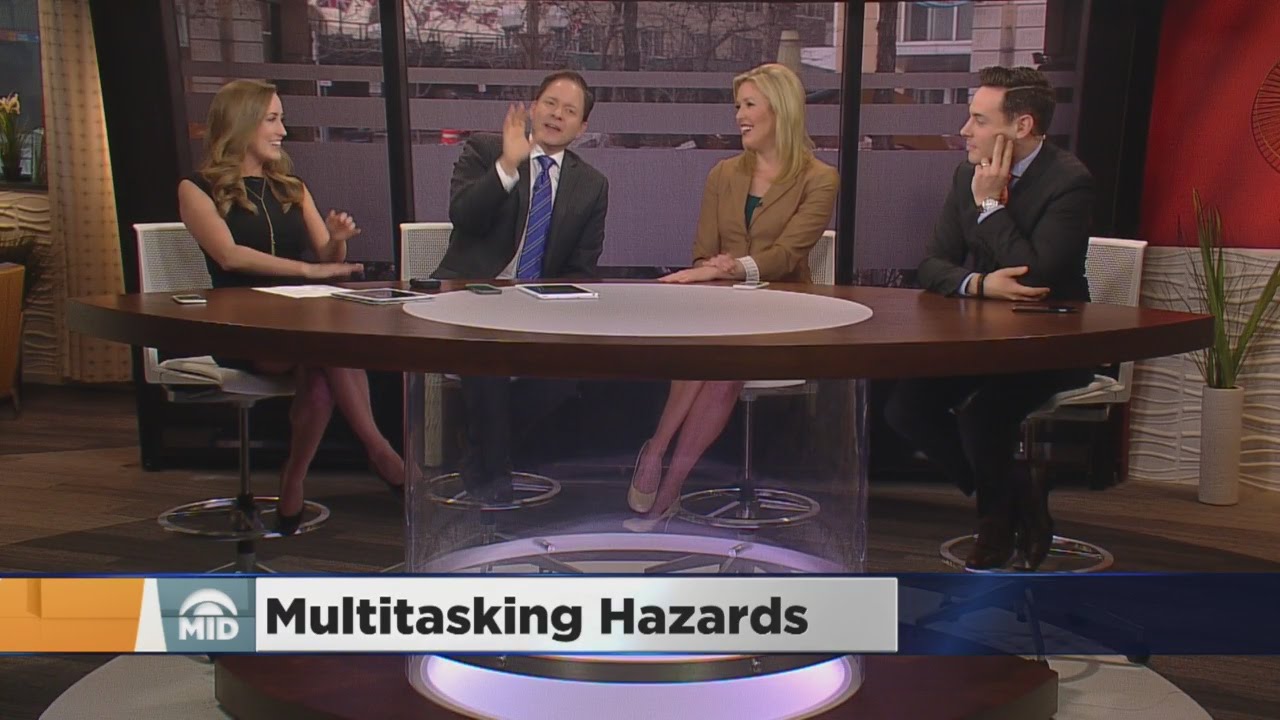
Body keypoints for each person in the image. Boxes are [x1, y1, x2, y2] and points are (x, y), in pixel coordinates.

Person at [884, 66, 1096, 571]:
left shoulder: (1069, 182)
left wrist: (989, 206)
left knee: (984, 415)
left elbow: (1037, 275)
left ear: (1021, 126)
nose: (964, 131)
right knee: (906, 409)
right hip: (983, 339)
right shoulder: (967, 173)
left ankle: (995, 526)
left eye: (979, 119)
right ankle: (1018, 493)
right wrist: (979, 284)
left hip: (1055, 343)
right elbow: (932, 264)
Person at [178, 79, 405, 535]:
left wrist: (336, 241)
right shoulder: (198, 188)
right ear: (242, 123)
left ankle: (294, 478)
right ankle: (380, 451)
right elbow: (229, 256)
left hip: (302, 322)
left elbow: (327, 257)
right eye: (272, 119)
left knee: (321, 376)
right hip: (242, 324)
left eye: (281, 119)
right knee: (329, 347)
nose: (282, 130)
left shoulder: (292, 187)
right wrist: (308, 271)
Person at [625, 63, 839, 529]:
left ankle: (670, 488)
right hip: (721, 304)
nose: (739, 115)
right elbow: (703, 251)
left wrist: (734, 267)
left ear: (780, 110)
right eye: (737, 106)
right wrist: (714, 269)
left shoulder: (819, 178)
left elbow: (787, 255)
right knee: (705, 347)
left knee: (723, 371)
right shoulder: (723, 174)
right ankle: (656, 449)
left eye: (749, 105)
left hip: (783, 310)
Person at [433, 70, 609, 502]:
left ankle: (479, 449)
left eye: (570, 111)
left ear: (582, 126)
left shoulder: (591, 185)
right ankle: (496, 488)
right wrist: (508, 166)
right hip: (471, 301)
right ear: (533, 107)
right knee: (490, 364)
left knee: (565, 377)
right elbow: (464, 216)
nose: (557, 115)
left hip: (536, 310)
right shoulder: (485, 150)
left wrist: (556, 310)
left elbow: (581, 268)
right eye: (550, 103)